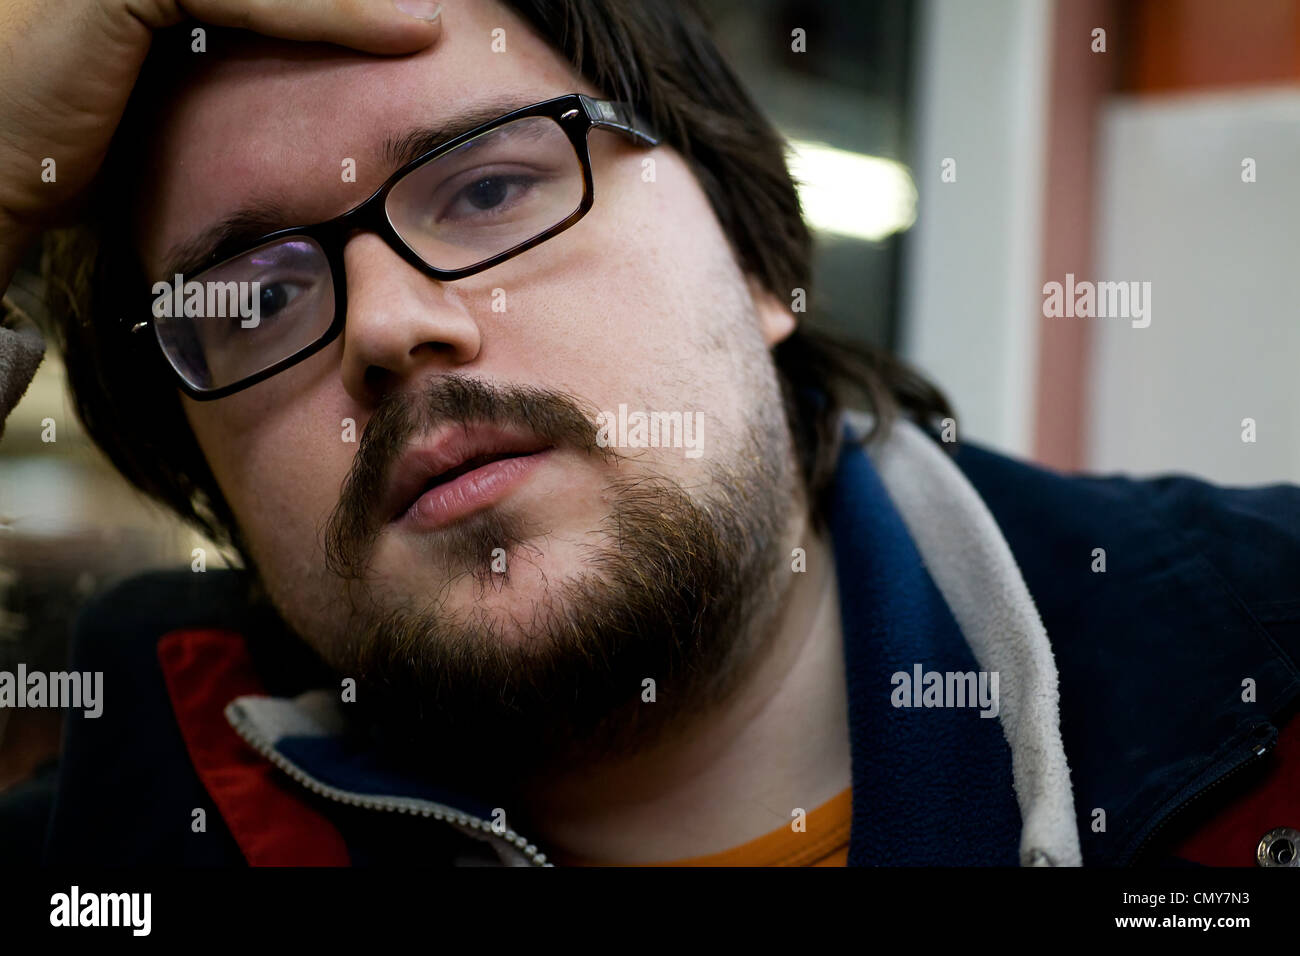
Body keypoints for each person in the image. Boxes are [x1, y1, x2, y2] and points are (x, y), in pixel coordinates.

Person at [2, 0, 1298, 868]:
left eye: (492, 185)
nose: (388, 326)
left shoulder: (1265, 678)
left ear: (750, 258)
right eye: (260, 298)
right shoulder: (105, 858)